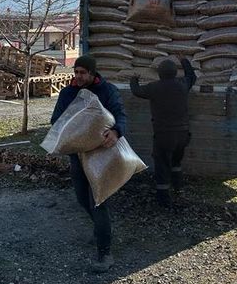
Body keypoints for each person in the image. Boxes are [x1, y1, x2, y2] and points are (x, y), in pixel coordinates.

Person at [50, 54, 127, 272]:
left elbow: (120, 115)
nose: (78, 76)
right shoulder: (68, 93)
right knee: (82, 198)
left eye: (83, 73)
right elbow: (56, 119)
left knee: (99, 201)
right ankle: (100, 230)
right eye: (76, 72)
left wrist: (116, 131)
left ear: (93, 74)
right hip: (78, 154)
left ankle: (105, 253)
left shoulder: (108, 91)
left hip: (103, 154)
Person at [129, 56, 197, 207]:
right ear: (174, 73)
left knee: (162, 165)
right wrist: (184, 61)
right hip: (183, 134)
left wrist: (134, 79)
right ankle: (178, 188)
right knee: (176, 162)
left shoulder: (154, 87)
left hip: (164, 135)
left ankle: (164, 199)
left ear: (159, 73)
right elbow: (192, 76)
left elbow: (137, 91)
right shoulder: (182, 85)